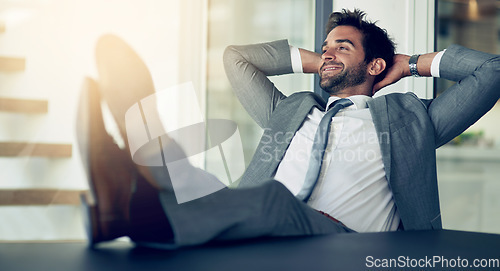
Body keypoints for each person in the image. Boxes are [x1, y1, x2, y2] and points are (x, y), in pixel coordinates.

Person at [80, 9, 500, 248]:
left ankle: (142, 157)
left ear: (374, 66)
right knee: (216, 192)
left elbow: (492, 71)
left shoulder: (413, 120)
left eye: (343, 46)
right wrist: (326, 62)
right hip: (264, 233)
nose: (329, 52)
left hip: (349, 244)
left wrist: (408, 65)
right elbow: (236, 60)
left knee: (272, 201)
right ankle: (122, 207)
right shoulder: (292, 110)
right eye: (325, 46)